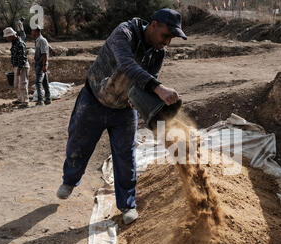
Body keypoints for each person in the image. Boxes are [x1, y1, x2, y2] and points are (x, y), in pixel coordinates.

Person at [56, 8, 187, 225]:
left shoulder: (158, 53)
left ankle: (127, 205)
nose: (167, 43)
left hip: (124, 109)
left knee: (126, 157)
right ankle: (70, 180)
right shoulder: (124, 33)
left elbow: (149, 79)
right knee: (79, 144)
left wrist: (151, 104)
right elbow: (126, 65)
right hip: (94, 99)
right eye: (166, 35)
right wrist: (159, 88)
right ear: (153, 25)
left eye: (171, 38)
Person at [3, 27, 29, 108]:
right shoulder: (14, 42)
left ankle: (25, 102)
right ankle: (20, 99)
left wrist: (19, 69)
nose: (6, 38)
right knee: (16, 85)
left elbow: (23, 58)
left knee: (23, 85)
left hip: (22, 66)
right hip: (17, 66)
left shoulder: (20, 44)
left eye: (7, 37)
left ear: (11, 36)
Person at [31, 25, 51, 106]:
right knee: (45, 82)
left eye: (33, 31)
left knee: (38, 82)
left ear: (37, 31)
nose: (31, 32)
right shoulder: (39, 40)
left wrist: (44, 65)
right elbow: (49, 48)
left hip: (41, 64)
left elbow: (44, 54)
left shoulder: (42, 40)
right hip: (40, 63)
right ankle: (48, 99)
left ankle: (40, 101)